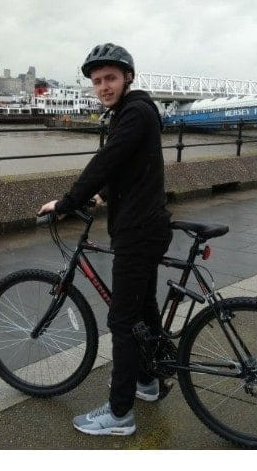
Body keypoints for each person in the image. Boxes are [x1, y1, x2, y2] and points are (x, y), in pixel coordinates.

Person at [37, 44, 172, 437]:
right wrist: (105, 196)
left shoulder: (134, 112)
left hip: (138, 231)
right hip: (146, 226)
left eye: (110, 78)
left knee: (123, 320)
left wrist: (67, 202)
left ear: (128, 76)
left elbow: (106, 162)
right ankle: (146, 382)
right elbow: (132, 167)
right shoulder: (135, 111)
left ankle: (119, 414)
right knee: (144, 309)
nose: (103, 86)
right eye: (97, 81)